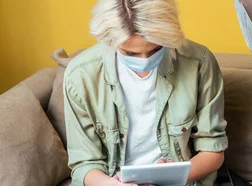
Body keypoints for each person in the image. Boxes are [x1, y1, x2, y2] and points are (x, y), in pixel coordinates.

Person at [64, 0, 227, 185]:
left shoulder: (199, 62)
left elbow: (213, 151)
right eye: (130, 53)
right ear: (109, 41)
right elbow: (84, 164)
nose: (145, 60)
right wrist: (110, 184)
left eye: (157, 49)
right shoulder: (80, 75)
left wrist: (171, 177)